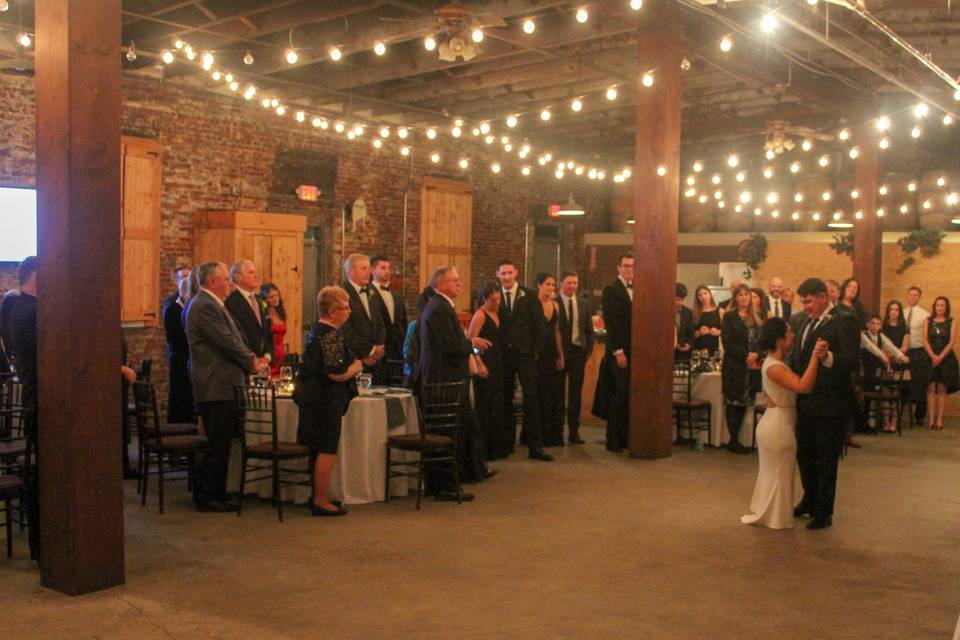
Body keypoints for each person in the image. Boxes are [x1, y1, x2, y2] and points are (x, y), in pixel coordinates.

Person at [185, 262, 264, 513]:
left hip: (223, 383)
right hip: (217, 385)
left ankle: (216, 491)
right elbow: (226, 341)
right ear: (212, 282)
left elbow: (234, 337)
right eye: (225, 279)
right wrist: (251, 361)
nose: (229, 283)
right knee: (217, 444)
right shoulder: (204, 305)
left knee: (222, 442)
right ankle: (209, 496)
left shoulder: (212, 303)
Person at [416, 266, 492, 501]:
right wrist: (472, 343)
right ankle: (443, 486)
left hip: (447, 379)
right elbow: (447, 346)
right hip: (442, 381)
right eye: (454, 281)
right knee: (445, 433)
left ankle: (451, 480)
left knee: (455, 431)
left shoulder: (441, 306)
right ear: (440, 284)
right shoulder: (439, 308)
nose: (459, 284)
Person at [790, 277, 859, 530]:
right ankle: (809, 499)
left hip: (831, 402)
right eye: (803, 302)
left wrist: (828, 356)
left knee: (826, 458)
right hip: (805, 401)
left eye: (808, 302)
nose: (805, 307)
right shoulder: (803, 322)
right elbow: (798, 358)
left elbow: (852, 361)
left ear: (822, 297)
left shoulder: (844, 320)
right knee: (805, 454)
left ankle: (824, 511)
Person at [741, 317, 823, 530]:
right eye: (788, 333)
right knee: (779, 472)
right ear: (779, 339)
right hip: (777, 426)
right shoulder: (774, 367)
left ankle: (774, 514)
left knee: (778, 473)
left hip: (779, 421)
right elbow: (803, 386)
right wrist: (815, 356)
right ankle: (775, 517)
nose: (793, 335)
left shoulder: (776, 363)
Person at [295, 286, 362, 517]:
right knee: (326, 447)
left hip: (312, 398)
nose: (349, 312)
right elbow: (336, 372)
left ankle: (317, 495)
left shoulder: (316, 330)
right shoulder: (330, 334)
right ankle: (321, 500)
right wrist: (356, 366)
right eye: (345, 308)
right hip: (325, 399)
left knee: (317, 447)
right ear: (333, 312)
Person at [496, 258, 552, 461]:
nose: (507, 277)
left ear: (516, 273)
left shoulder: (528, 296)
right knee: (504, 397)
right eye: (503, 273)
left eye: (510, 273)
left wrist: (535, 352)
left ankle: (535, 445)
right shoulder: (495, 297)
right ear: (498, 275)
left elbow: (541, 327)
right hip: (504, 356)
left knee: (531, 398)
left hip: (526, 354)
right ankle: (506, 442)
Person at [7, 256, 39, 558]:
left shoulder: (16, 306)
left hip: (34, 393)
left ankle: (39, 540)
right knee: (41, 471)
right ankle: (41, 543)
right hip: (41, 396)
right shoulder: (30, 310)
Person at [594, 253, 633, 453]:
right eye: (625, 266)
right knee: (618, 394)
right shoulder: (611, 290)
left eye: (632, 266)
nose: (629, 269)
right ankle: (613, 440)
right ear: (618, 268)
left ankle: (625, 437)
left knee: (628, 396)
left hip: (634, 350)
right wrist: (618, 351)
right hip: (619, 350)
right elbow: (612, 323)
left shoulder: (638, 289)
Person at [468, 283, 510, 460]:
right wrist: (479, 363)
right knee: (486, 405)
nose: (497, 302)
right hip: (485, 363)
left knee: (497, 404)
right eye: (493, 300)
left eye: (499, 299)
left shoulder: (498, 313)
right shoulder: (480, 315)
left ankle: (497, 447)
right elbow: (471, 342)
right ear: (484, 299)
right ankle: (484, 449)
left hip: (498, 362)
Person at [720, 284, 761, 454]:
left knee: (745, 402)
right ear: (735, 298)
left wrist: (756, 354)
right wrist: (746, 355)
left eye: (747, 295)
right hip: (734, 365)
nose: (744, 298)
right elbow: (727, 343)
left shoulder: (756, 318)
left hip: (751, 367)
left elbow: (761, 340)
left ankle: (736, 439)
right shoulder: (730, 317)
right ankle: (733, 439)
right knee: (733, 401)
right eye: (741, 295)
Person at [557, 271, 594, 445]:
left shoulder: (584, 304)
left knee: (575, 394)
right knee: (557, 393)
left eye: (575, 283)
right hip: (560, 353)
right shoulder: (554, 302)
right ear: (561, 284)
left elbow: (588, 330)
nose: (572, 286)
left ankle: (574, 431)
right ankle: (556, 430)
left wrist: (587, 352)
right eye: (569, 283)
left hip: (578, 352)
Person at [341, 253, 387, 381]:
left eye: (369, 269)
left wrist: (378, 349)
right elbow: (346, 329)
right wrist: (370, 351)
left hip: (375, 361)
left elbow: (381, 324)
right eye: (363, 269)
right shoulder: (343, 293)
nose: (368, 272)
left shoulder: (372, 294)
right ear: (351, 271)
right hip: (354, 358)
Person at [861, 314, 909, 433]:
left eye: (877, 324)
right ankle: (867, 421)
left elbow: (890, 346)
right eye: (872, 323)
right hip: (864, 371)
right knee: (872, 387)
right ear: (867, 324)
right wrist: (883, 356)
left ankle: (880, 421)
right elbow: (870, 347)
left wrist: (901, 356)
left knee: (886, 384)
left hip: (875, 372)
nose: (874, 326)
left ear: (880, 326)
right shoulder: (863, 335)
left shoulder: (881, 336)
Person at [533, 273, 565, 447]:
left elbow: (557, 332)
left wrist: (561, 355)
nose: (551, 288)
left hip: (551, 352)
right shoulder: (532, 304)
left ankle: (550, 434)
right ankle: (535, 435)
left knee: (551, 393)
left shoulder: (556, 305)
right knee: (538, 393)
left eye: (553, 285)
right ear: (539, 285)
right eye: (547, 284)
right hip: (537, 352)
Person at [225, 260, 274, 371]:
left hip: (264, 364)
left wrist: (267, 356)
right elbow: (234, 334)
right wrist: (251, 358)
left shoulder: (260, 300)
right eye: (251, 273)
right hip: (243, 364)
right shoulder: (231, 301)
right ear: (238, 277)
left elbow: (267, 332)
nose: (256, 276)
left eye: (255, 272)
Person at [923, 296, 959, 431]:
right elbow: (924, 339)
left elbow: (952, 341)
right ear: (934, 307)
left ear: (946, 307)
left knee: (943, 388)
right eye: (937, 305)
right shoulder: (928, 321)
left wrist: (940, 357)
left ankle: (939, 420)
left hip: (946, 357)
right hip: (930, 356)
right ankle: (931, 419)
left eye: (942, 305)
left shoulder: (952, 321)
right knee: (931, 387)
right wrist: (932, 355)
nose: (939, 308)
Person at [163, 277, 195, 423]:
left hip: (187, 357)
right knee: (179, 391)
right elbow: (172, 336)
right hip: (179, 357)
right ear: (183, 292)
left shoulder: (187, 308)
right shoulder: (173, 309)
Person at [370, 255, 408, 376]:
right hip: (378, 348)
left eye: (388, 268)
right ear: (372, 270)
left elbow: (403, 323)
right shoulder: (368, 294)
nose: (387, 271)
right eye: (382, 268)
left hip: (397, 350)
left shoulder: (397, 296)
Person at [904, 286, 931, 425]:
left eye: (916, 295)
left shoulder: (925, 315)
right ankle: (899, 412)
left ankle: (920, 416)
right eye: (911, 294)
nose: (913, 297)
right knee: (904, 382)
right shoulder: (902, 313)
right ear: (907, 296)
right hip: (904, 351)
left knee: (920, 383)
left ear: (919, 297)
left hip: (919, 351)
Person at [260, 283, 287, 377]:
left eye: (277, 295)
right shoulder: (263, 316)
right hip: (270, 353)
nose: (275, 299)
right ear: (265, 299)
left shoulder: (281, 313)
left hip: (281, 353)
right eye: (271, 297)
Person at [692, 285, 723, 354]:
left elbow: (728, 332)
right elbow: (689, 334)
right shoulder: (694, 313)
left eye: (705, 293)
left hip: (715, 349)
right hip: (698, 349)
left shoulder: (720, 311)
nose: (703, 297)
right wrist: (699, 332)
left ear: (710, 294)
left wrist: (718, 332)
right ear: (697, 298)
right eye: (700, 295)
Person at [674, 283, 694, 361]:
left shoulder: (687, 312)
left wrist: (688, 345)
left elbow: (691, 333)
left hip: (681, 356)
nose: (680, 303)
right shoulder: (663, 311)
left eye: (682, 300)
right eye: (677, 299)